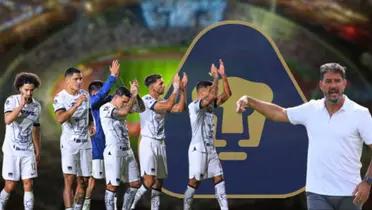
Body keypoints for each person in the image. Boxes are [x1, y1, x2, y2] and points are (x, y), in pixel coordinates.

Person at [236, 63, 372, 210]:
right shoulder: (311, 109)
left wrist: (368, 182)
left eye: (337, 81)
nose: (333, 85)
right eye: (328, 81)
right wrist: (250, 101)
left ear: (344, 84)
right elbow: (278, 113)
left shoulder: (360, 113)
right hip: (316, 193)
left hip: (350, 193)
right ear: (321, 85)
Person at [130, 72, 188, 210]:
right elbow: (168, 106)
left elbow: (180, 108)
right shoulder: (146, 100)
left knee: (158, 183)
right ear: (152, 87)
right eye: (160, 83)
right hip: (148, 143)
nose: (163, 85)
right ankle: (129, 205)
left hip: (160, 144)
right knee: (149, 181)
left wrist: (182, 89)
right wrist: (175, 88)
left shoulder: (161, 100)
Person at [183, 59, 232, 210]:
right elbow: (211, 97)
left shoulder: (210, 105)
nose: (213, 92)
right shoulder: (194, 106)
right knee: (194, 182)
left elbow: (228, 94)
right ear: (201, 92)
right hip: (198, 149)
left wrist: (223, 76)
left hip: (211, 149)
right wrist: (215, 77)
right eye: (210, 90)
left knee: (219, 178)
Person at [100, 82, 145, 210]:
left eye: (127, 102)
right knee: (112, 186)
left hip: (128, 150)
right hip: (113, 151)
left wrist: (136, 94)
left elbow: (141, 108)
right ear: (117, 97)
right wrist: (133, 96)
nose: (125, 104)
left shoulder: (123, 106)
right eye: (124, 101)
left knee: (135, 183)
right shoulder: (106, 108)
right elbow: (123, 113)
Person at [0, 72, 42, 210]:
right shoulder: (11, 101)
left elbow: (36, 129)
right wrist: (21, 106)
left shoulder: (36, 106)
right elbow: (7, 120)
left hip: (27, 151)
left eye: (31, 90)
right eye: (26, 90)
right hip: (12, 150)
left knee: (28, 184)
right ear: (20, 89)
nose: (29, 93)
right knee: (10, 185)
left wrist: (38, 151)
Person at [53, 67, 93, 210]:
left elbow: (88, 112)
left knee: (84, 181)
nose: (79, 82)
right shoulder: (60, 97)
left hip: (85, 143)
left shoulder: (85, 94)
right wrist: (76, 104)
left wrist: (91, 124)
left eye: (81, 79)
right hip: (70, 144)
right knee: (69, 180)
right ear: (67, 80)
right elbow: (60, 118)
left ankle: (77, 208)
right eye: (76, 79)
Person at [82, 60, 120, 210]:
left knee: (112, 180)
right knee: (92, 179)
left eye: (101, 90)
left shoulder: (107, 102)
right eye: (97, 91)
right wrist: (112, 77)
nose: (100, 93)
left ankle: (111, 206)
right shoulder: (91, 103)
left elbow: (117, 98)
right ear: (92, 93)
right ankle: (86, 203)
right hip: (96, 147)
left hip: (111, 146)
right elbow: (103, 95)